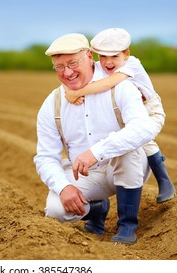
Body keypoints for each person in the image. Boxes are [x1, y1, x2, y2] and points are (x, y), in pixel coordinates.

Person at [33, 33, 156, 245]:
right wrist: (63, 187)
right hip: (89, 174)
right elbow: (45, 156)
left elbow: (143, 128)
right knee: (55, 211)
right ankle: (97, 209)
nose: (68, 72)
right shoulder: (52, 104)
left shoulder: (120, 83)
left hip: (130, 166)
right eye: (59, 67)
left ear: (90, 56)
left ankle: (127, 225)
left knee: (126, 151)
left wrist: (96, 152)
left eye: (72, 63)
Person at [64, 28, 176, 203]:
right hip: (123, 112)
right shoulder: (101, 66)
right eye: (102, 57)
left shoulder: (132, 64)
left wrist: (77, 92)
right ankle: (100, 190)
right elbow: (72, 75)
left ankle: (164, 180)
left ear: (126, 54)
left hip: (149, 109)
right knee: (122, 139)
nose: (108, 62)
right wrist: (68, 89)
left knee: (144, 137)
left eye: (114, 56)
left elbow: (109, 82)